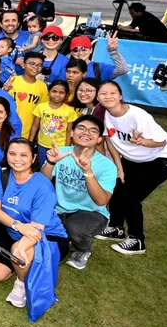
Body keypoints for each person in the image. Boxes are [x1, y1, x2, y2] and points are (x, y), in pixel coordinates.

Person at [95, 81, 167, 255]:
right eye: (103, 93)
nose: (108, 97)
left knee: (131, 197)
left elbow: (162, 141)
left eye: (113, 93)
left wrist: (143, 142)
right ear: (98, 97)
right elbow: (110, 140)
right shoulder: (103, 113)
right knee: (117, 187)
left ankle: (137, 240)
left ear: (120, 96)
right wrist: (118, 167)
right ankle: (116, 228)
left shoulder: (137, 116)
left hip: (161, 158)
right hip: (133, 158)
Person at [0, 138, 68, 309]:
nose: (17, 159)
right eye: (12, 154)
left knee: (18, 252)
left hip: (48, 237)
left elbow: (36, 230)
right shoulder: (1, 174)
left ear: (34, 158)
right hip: (15, 231)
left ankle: (21, 284)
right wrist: (17, 226)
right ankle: (25, 267)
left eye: (23, 155)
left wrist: (20, 248)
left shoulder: (43, 186)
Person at [42, 115, 116, 270]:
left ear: (99, 140)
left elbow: (102, 201)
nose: (86, 132)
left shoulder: (107, 166)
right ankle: (67, 234)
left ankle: (83, 249)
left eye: (93, 131)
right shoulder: (61, 153)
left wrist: (88, 171)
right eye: (81, 128)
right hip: (59, 208)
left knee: (75, 227)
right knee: (42, 232)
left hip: (92, 212)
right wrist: (51, 162)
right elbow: (41, 183)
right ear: (72, 133)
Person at [30, 80, 79, 164]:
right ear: (49, 92)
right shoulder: (40, 107)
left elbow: (69, 132)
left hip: (60, 147)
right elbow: (35, 126)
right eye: (54, 91)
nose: (57, 95)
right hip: (42, 145)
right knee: (43, 167)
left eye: (61, 92)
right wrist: (30, 142)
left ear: (66, 95)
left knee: (57, 170)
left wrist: (66, 149)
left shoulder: (70, 111)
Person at [7, 52, 50, 138]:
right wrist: (5, 89)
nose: (35, 67)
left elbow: (40, 113)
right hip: (8, 129)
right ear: (23, 64)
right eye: (32, 64)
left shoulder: (43, 86)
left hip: (27, 132)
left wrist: (31, 138)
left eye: (39, 65)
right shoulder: (13, 80)